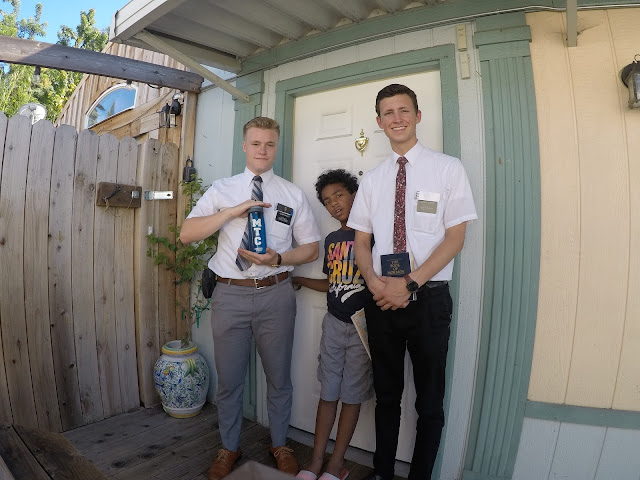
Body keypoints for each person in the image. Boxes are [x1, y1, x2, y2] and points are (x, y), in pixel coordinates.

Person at [348, 84, 477, 480]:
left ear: (418, 116)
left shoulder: (448, 169)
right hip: (381, 301)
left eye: (404, 110)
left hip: (429, 301)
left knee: (430, 404)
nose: (397, 118)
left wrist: (410, 284)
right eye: (388, 112)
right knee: (386, 398)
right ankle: (383, 473)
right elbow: (361, 241)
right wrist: (375, 284)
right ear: (379, 121)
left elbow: (455, 237)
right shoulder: (373, 179)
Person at [180, 116, 321, 480]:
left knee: (279, 378)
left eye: (269, 144)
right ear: (245, 146)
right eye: (256, 143)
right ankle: (229, 447)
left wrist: (278, 258)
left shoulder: (291, 195)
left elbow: (311, 248)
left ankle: (280, 444)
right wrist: (230, 212)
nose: (263, 150)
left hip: (276, 295)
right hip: (230, 295)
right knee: (230, 381)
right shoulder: (222, 190)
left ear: (276, 146)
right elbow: (187, 233)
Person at [292, 169, 373, 480]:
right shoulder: (333, 240)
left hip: (362, 328)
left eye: (339, 195)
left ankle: (336, 464)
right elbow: (331, 283)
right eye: (327, 200)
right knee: (328, 392)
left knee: (351, 395)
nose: (334, 203)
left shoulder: (372, 235)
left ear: (354, 194)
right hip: (334, 324)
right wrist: (300, 279)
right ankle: (315, 462)